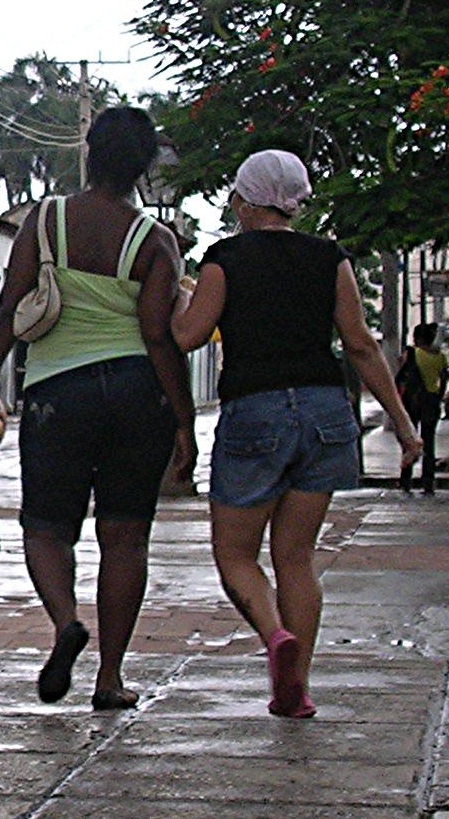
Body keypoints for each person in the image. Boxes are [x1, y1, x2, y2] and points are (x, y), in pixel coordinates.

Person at [172, 149, 423, 718]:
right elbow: (359, 344)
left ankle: (273, 636)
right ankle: (298, 687)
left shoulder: (223, 259)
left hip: (255, 411)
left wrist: (183, 297)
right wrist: (403, 425)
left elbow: (187, 335)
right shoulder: (328, 258)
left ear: (243, 200)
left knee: (235, 554)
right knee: (297, 557)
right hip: (324, 411)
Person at [0, 107, 197, 711]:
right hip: (135, 393)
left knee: (46, 529)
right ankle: (110, 679)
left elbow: (9, 307)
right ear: (146, 166)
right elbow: (157, 334)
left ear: (89, 152)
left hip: (56, 394)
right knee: (125, 538)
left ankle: (66, 621)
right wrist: (183, 418)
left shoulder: (44, 222)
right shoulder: (155, 242)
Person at [396, 322, 449, 494]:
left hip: (412, 402)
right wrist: (438, 397)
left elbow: (401, 377)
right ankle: (428, 480)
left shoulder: (412, 353)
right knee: (429, 442)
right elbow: (443, 380)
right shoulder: (440, 357)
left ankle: (405, 479)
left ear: (417, 338)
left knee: (410, 440)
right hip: (431, 401)